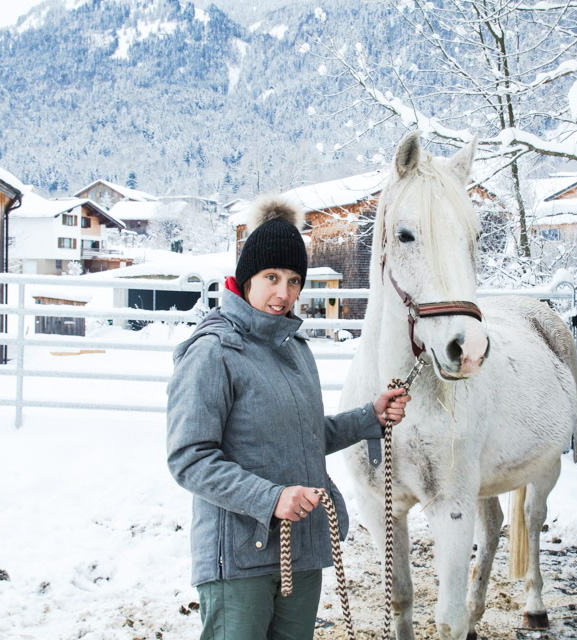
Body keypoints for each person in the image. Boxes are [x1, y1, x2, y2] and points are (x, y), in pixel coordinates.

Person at [166, 195, 410, 640]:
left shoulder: (296, 350)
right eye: (271, 277)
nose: (284, 293)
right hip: (239, 559)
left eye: (294, 280)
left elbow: (306, 435)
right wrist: (270, 498)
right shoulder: (213, 352)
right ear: (246, 278)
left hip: (302, 548)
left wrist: (368, 418)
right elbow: (190, 459)